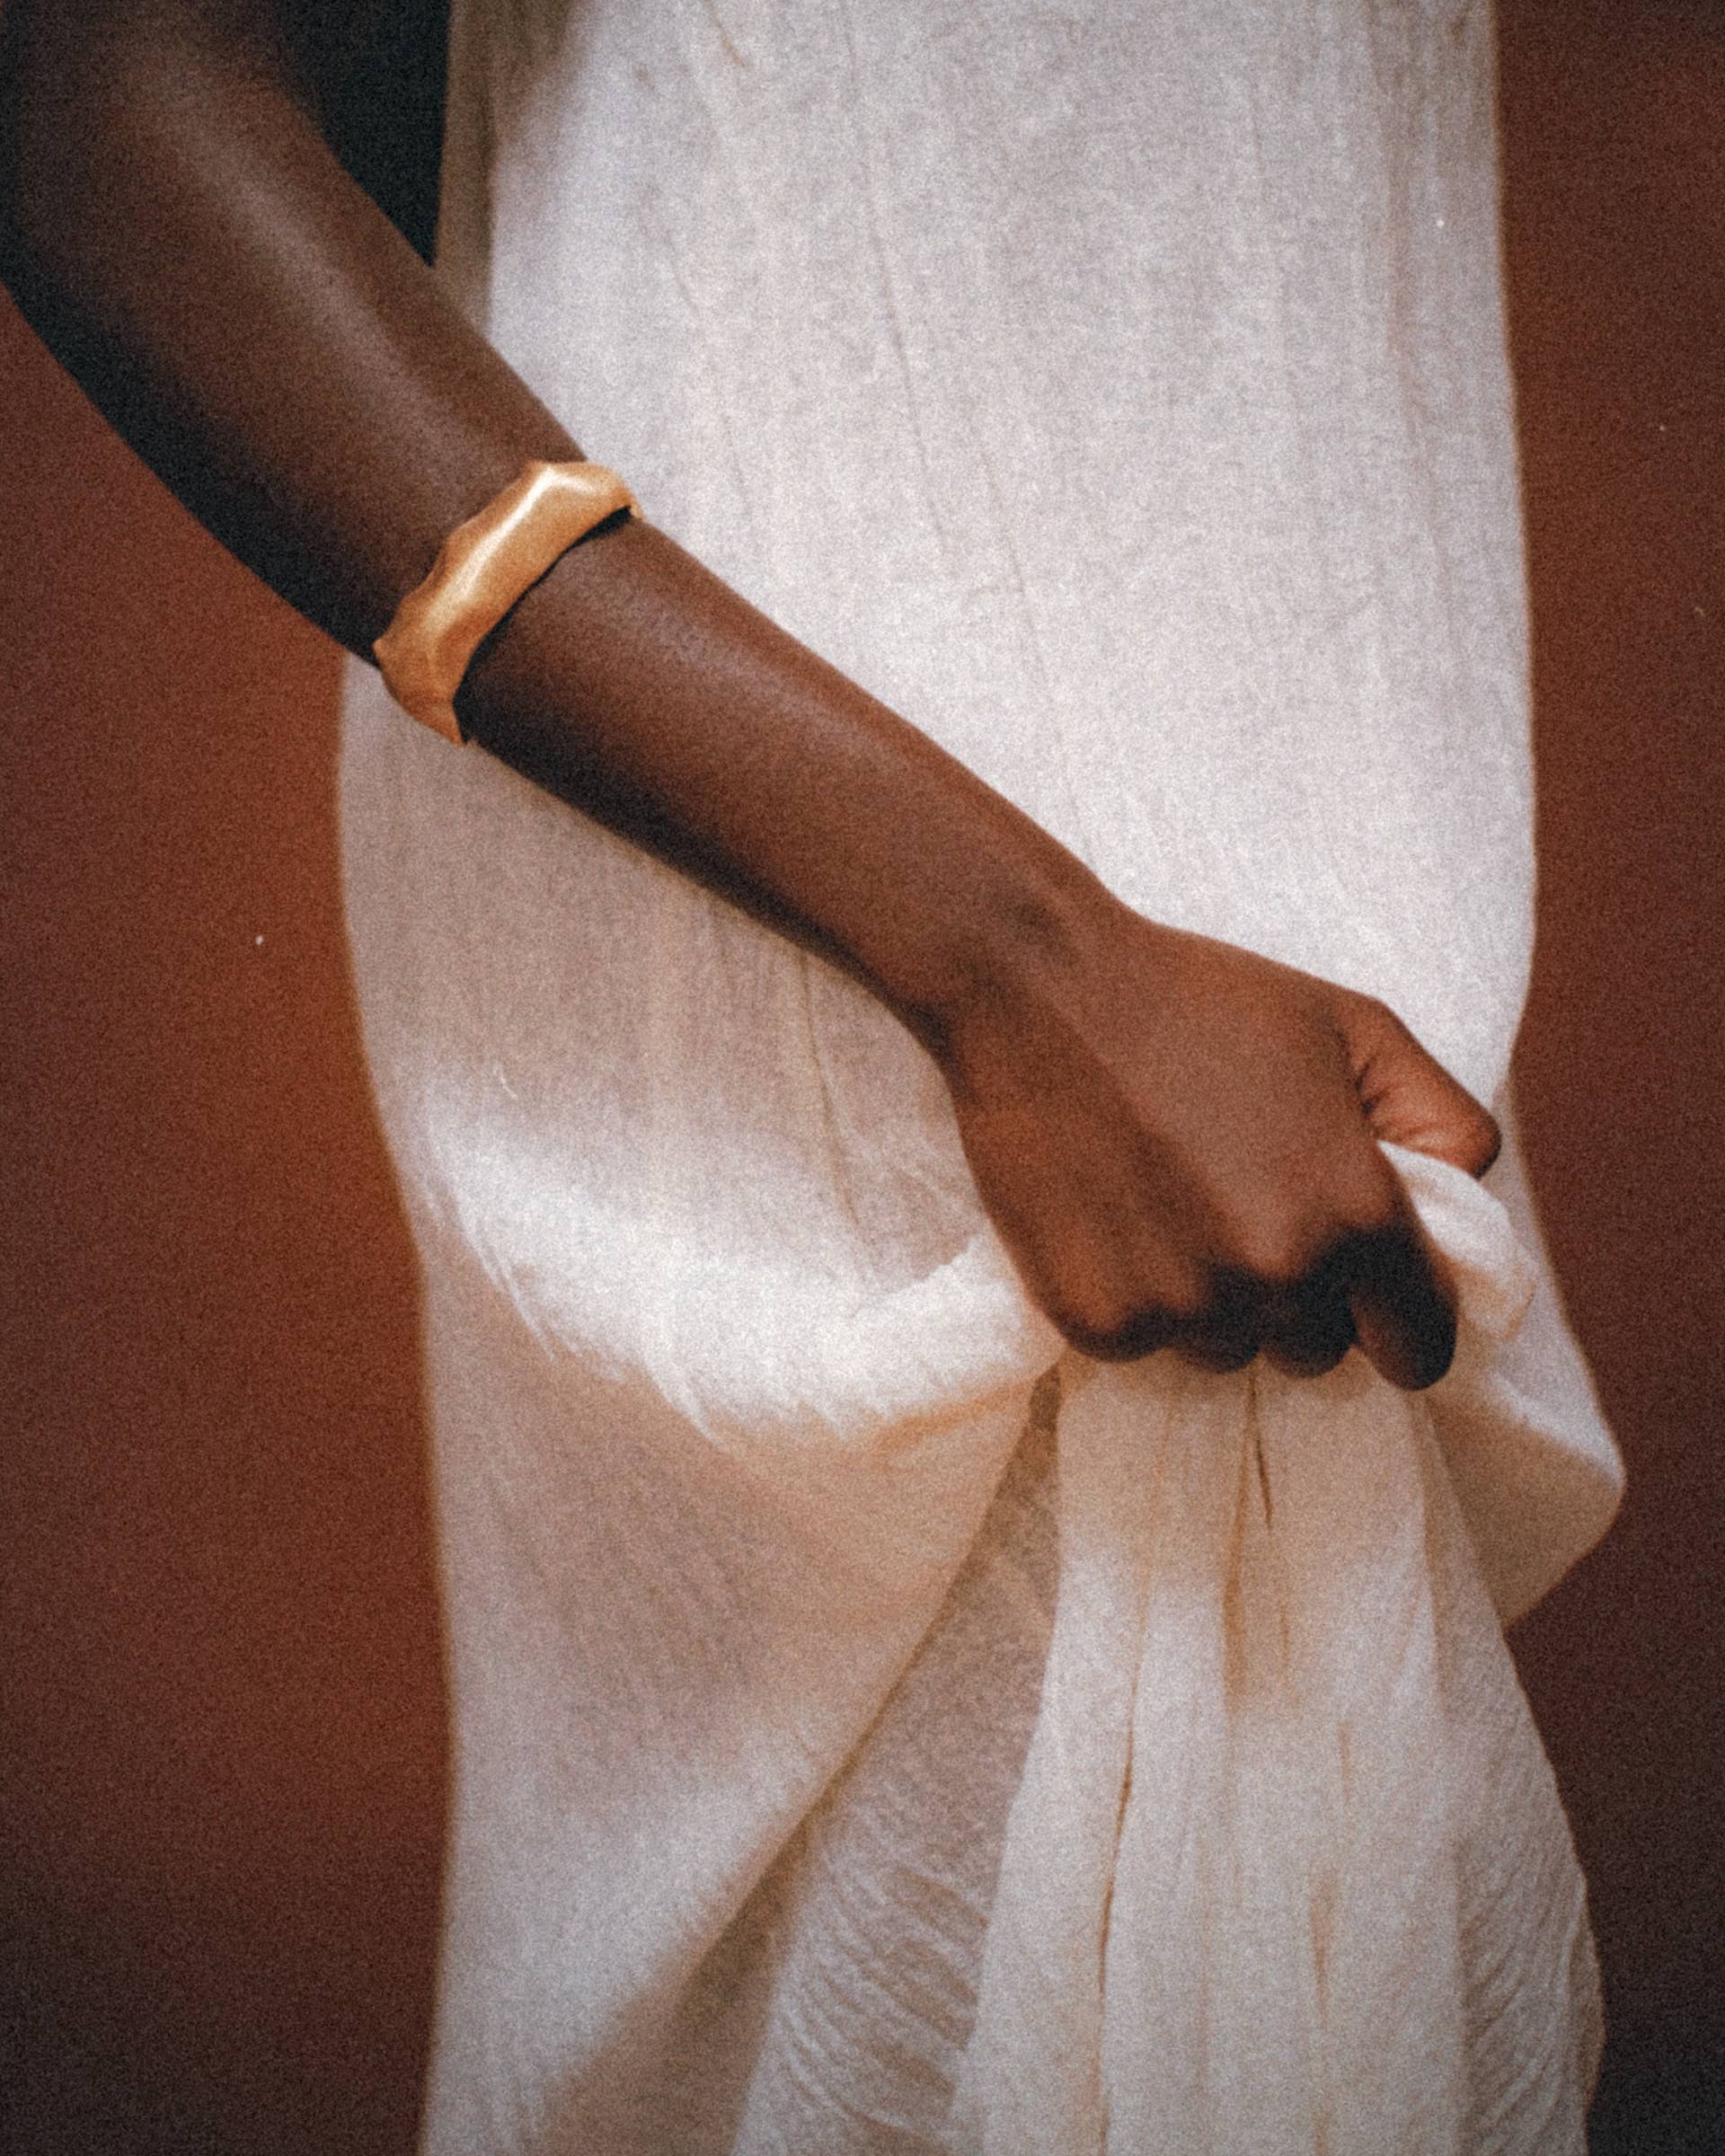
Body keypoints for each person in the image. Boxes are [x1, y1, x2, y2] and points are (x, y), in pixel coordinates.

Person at [0, 2, 1624, 2149]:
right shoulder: (1004, 1002)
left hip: (1192, 1078)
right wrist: (1017, 963)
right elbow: (105, 86)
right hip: (920, 1037)